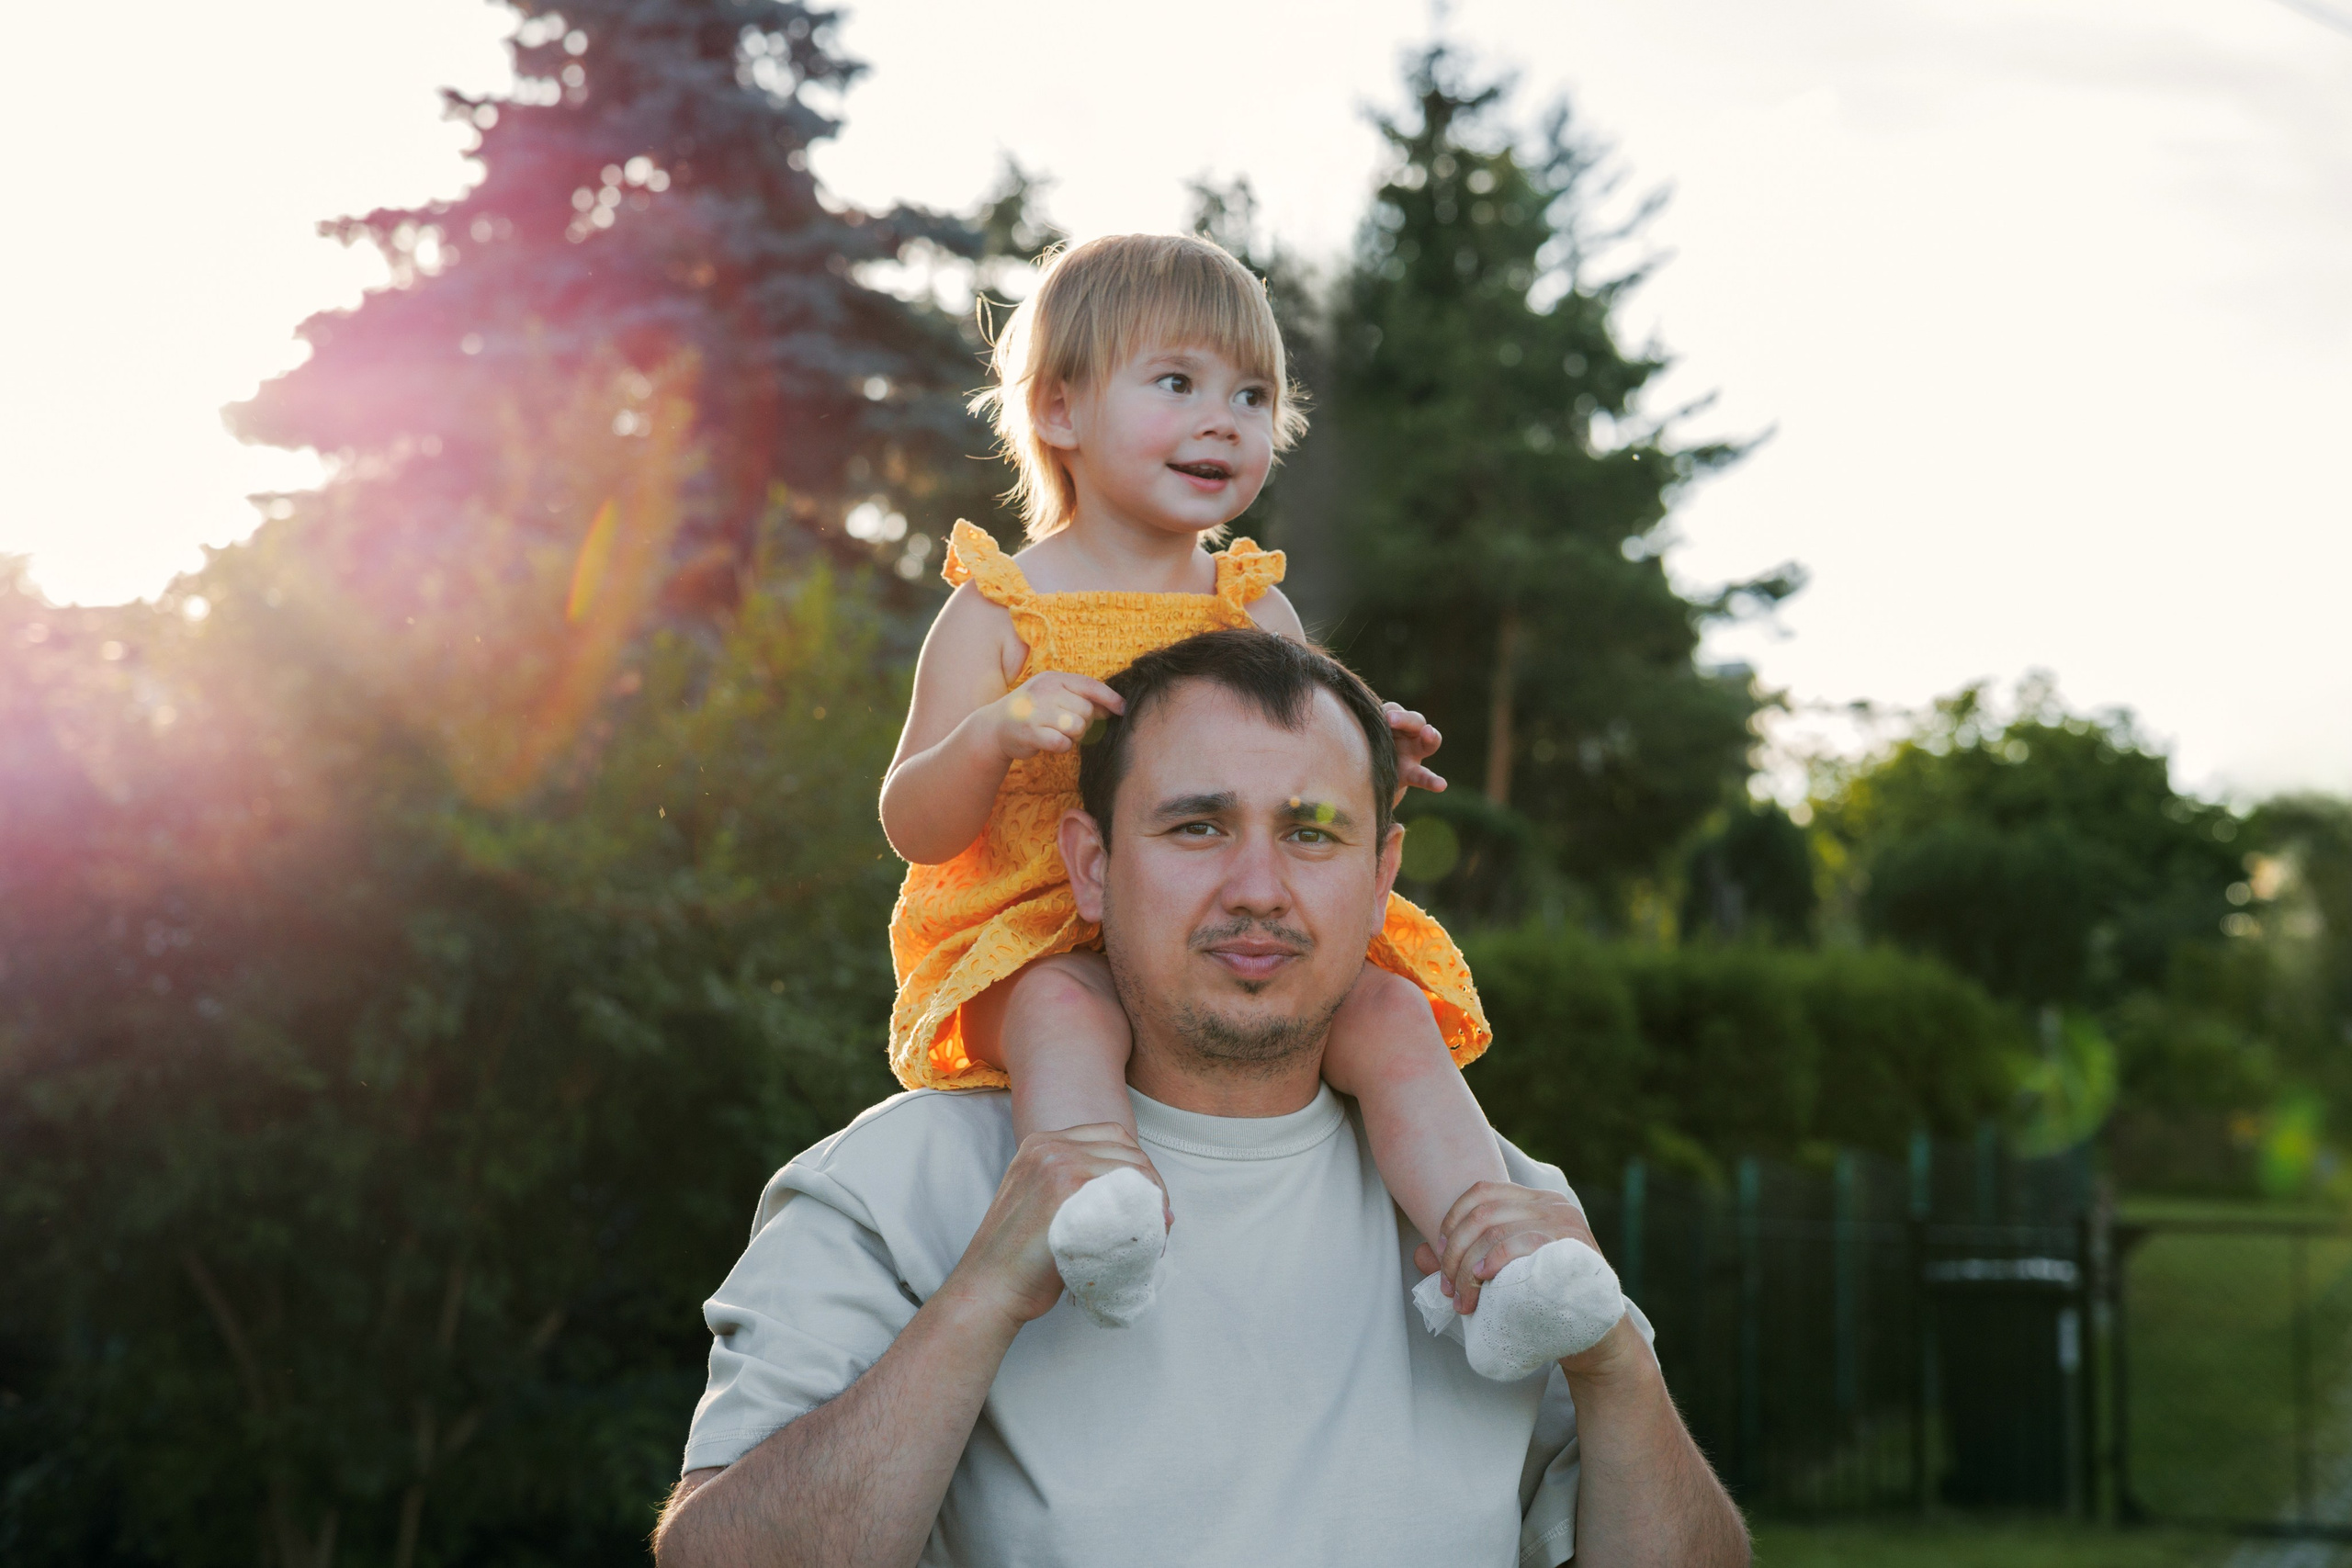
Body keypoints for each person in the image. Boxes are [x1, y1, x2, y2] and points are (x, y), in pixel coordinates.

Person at [652, 628, 1748, 1567]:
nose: (1259, 890)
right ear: (1089, 866)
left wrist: (1613, 1365)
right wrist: (981, 1295)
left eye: (1311, 833)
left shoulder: (1499, 1211)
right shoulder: (897, 1184)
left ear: (1382, 880)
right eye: (1196, 827)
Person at [873, 231, 1615, 1359]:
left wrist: (1371, 745)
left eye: (1253, 394)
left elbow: (1302, 751)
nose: (1225, 418)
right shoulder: (999, 609)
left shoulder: (1252, 611)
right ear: (1062, 411)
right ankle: (1098, 1204)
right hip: (1033, 939)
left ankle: (1496, 1254)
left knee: (1385, 1009)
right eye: (1177, 383)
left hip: (1225, 931)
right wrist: (992, 734)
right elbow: (911, 823)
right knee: (1066, 1010)